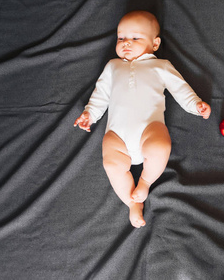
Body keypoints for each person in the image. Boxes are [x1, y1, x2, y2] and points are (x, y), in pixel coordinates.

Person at [74, 11, 211, 228]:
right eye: (121, 38)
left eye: (135, 38)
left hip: (150, 128)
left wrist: (196, 105)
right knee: (111, 162)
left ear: (155, 44)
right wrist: (89, 114)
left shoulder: (161, 66)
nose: (126, 43)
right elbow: (100, 94)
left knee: (160, 145)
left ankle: (145, 182)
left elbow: (180, 88)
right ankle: (132, 203)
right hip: (117, 135)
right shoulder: (113, 66)